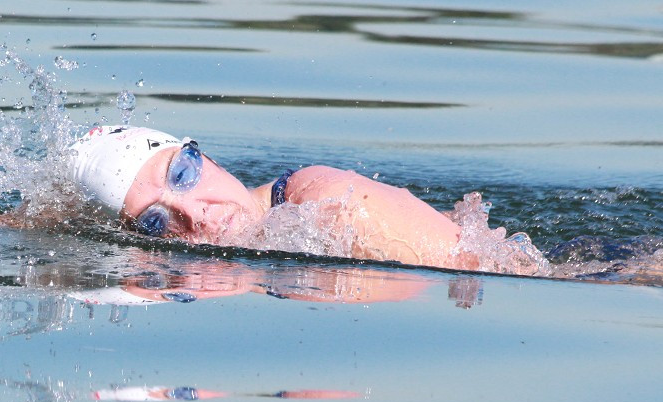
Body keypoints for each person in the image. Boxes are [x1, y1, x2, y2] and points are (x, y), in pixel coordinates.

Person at [68, 124, 541, 273]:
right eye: (155, 223)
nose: (193, 214)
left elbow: (487, 271)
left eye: (184, 175)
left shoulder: (322, 202)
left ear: (202, 154)